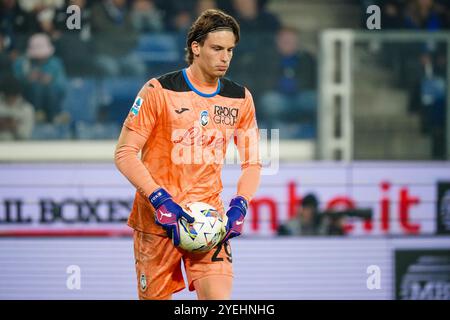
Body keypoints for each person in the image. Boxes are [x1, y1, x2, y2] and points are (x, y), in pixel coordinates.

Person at [114, 9, 261, 300]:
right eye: (217, 49)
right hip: (158, 221)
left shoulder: (240, 98)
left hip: (208, 223)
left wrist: (241, 204)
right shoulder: (158, 90)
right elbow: (125, 153)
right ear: (196, 47)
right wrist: (159, 198)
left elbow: (253, 162)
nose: (225, 58)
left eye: (230, 50)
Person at [13, 33, 67, 123]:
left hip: (52, 99)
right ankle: (37, 114)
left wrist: (50, 80)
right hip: (28, 100)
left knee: (51, 89)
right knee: (36, 87)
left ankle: (53, 116)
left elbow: (62, 86)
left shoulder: (56, 63)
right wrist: (27, 79)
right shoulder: (21, 63)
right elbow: (13, 85)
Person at [0, 76, 34, 140]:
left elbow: (26, 135)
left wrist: (14, 127)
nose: (11, 99)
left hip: (19, 147)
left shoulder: (27, 109)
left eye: (13, 96)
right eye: (8, 96)